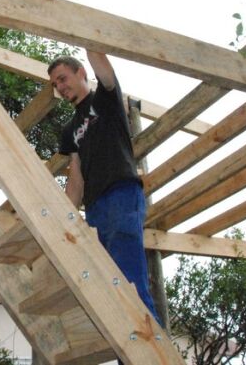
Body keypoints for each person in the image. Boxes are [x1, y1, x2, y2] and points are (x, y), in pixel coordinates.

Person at [48, 51, 162, 327]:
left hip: (122, 194)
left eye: (63, 79)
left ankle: (156, 351)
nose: (60, 87)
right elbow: (76, 181)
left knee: (130, 282)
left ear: (81, 72)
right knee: (112, 292)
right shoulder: (70, 131)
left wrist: (82, 30)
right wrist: (60, 221)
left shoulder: (105, 99)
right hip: (95, 210)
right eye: (55, 84)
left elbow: (102, 63)